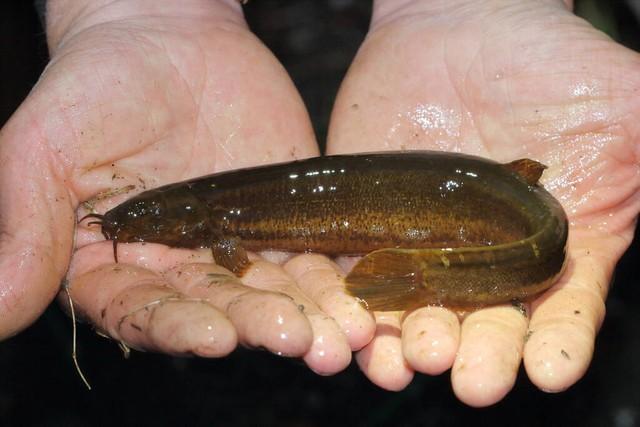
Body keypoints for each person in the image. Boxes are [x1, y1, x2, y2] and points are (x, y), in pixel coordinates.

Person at [0, 0, 637, 407]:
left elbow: (230, 253)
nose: (132, 224)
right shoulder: (211, 213)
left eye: (145, 219)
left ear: (194, 222)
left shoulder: (220, 225)